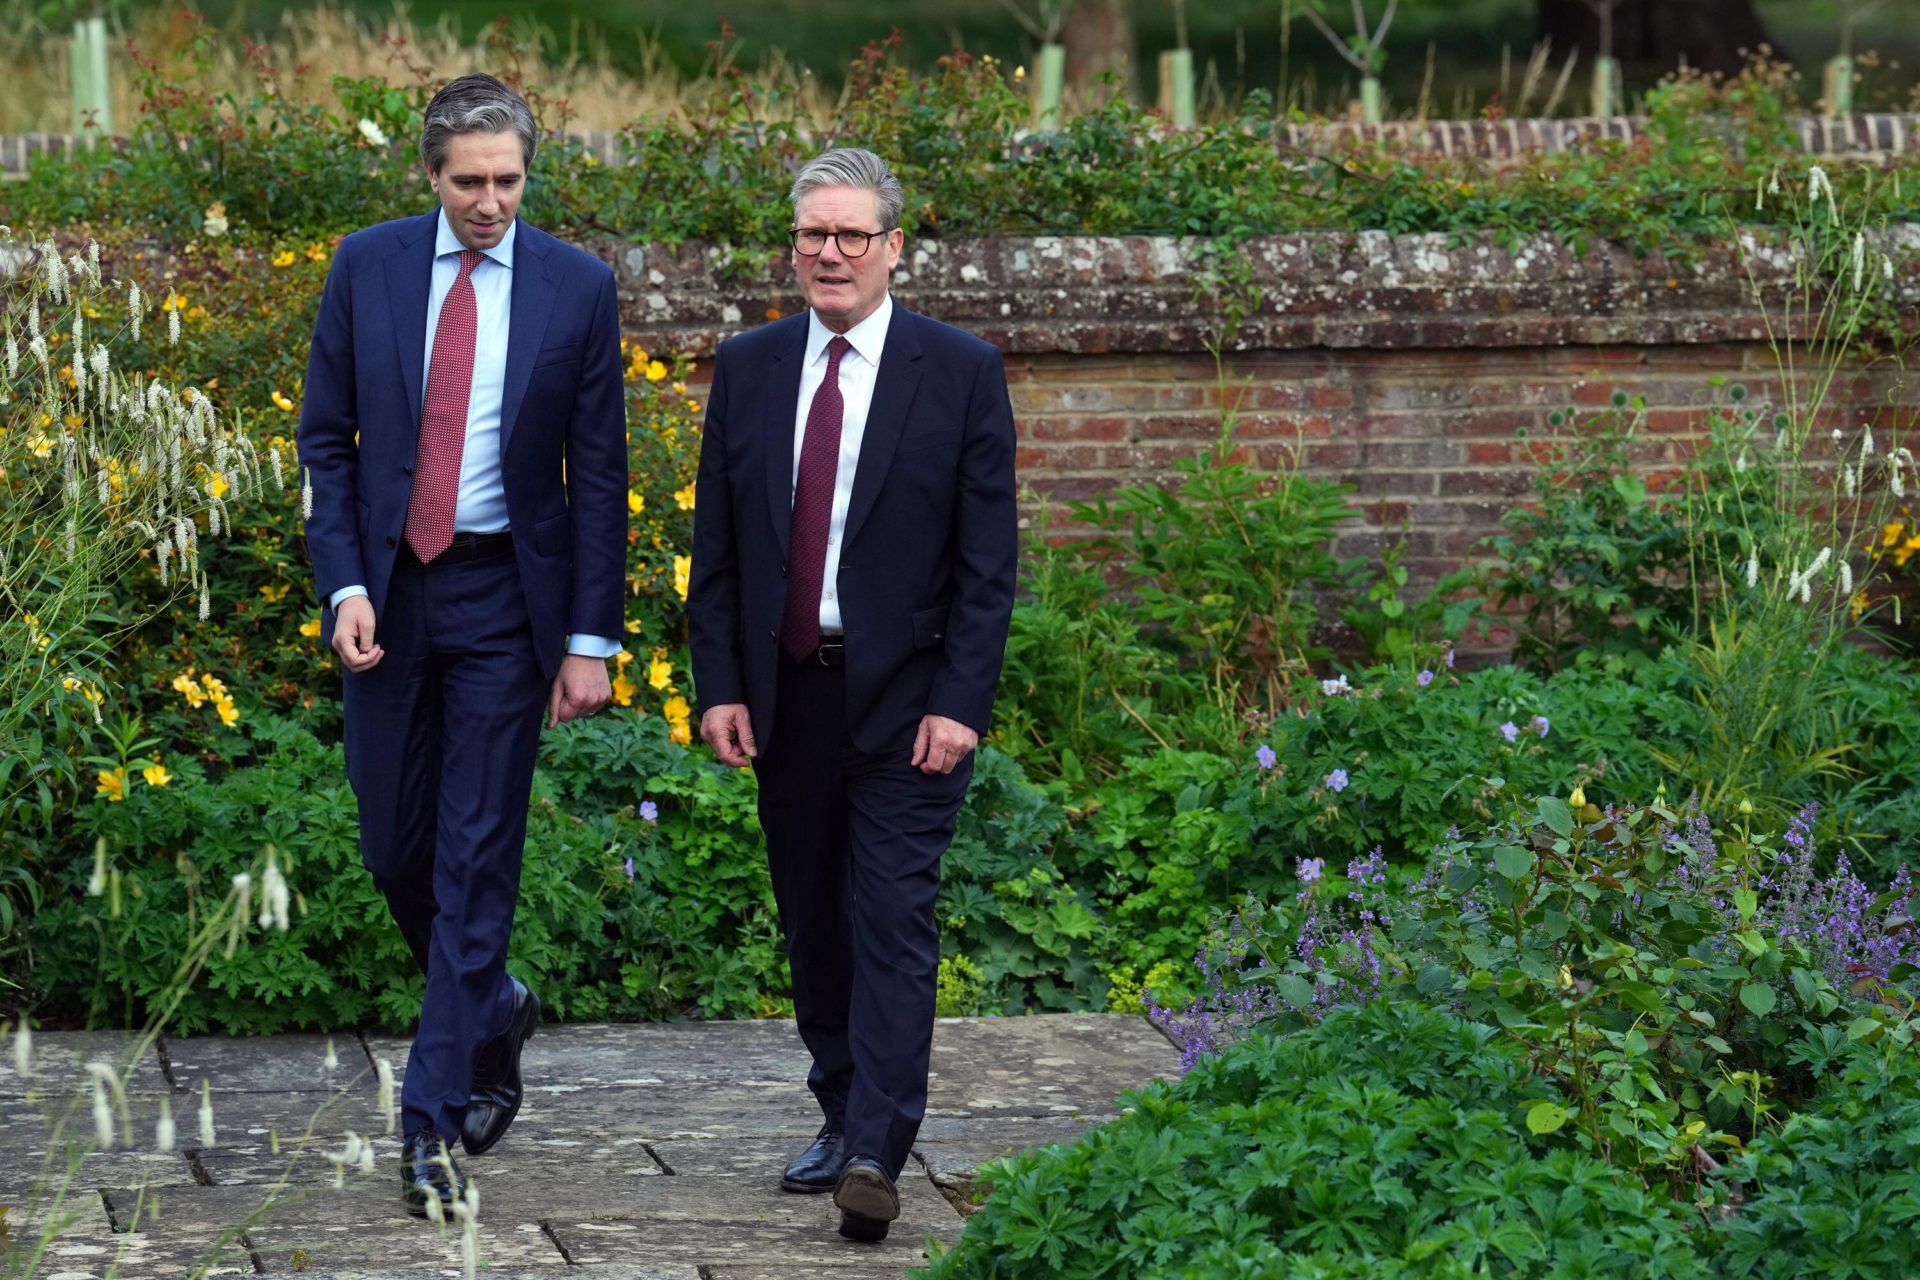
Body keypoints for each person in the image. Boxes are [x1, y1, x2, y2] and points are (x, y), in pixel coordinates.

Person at [297, 73, 627, 1216]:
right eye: (471, 181)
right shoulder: (367, 266)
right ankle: (493, 1003)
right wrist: (343, 582)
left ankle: (429, 1120)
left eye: (510, 181)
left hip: (505, 601)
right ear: (430, 176)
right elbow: (325, 445)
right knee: (395, 844)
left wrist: (589, 639)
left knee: (478, 853)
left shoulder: (578, 287)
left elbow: (601, 474)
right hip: (391, 595)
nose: (492, 202)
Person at [687, 147, 1018, 1243]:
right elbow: (719, 550)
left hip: (911, 702)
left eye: (851, 235)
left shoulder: (959, 369)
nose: (829, 253)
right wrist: (720, 684)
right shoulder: (749, 366)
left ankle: (878, 1143)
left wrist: (961, 700)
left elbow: (987, 562)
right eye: (812, 235)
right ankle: (841, 1107)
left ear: (894, 247)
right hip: (788, 694)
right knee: (814, 919)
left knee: (891, 917)